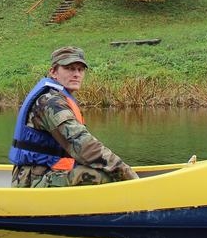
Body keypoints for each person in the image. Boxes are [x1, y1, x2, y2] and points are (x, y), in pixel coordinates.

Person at [9, 47, 139, 188]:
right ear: (53, 72)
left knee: (110, 169)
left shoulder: (60, 97)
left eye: (80, 69)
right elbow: (83, 145)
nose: (76, 74)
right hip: (31, 180)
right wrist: (127, 172)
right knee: (108, 175)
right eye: (70, 68)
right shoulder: (50, 103)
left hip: (47, 171)